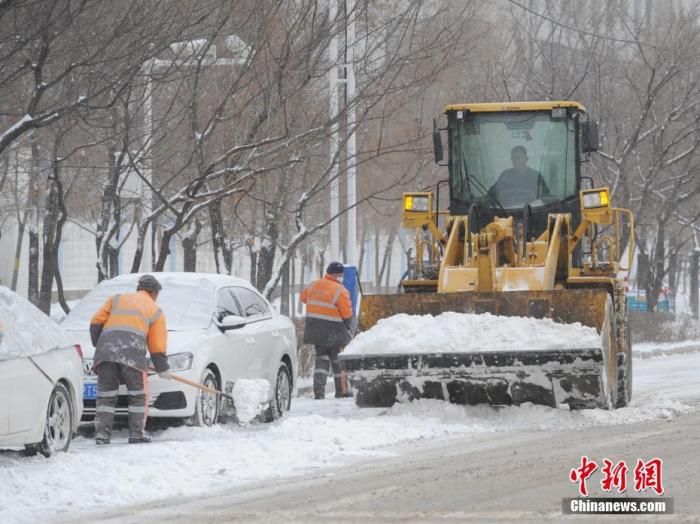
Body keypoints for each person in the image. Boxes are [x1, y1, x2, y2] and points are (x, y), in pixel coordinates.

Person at [89, 274, 169, 445]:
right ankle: (136, 434)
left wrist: (102, 345)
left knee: (106, 396)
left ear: (139, 289)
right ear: (154, 293)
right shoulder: (155, 310)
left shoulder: (117, 299)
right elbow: (157, 345)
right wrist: (162, 368)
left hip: (106, 353)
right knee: (138, 395)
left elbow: (96, 322)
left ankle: (102, 435)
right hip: (132, 355)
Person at [300, 262, 354, 399]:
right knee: (338, 364)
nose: (342, 277)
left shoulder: (313, 285)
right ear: (336, 274)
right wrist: (348, 326)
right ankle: (341, 392)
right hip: (335, 332)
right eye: (341, 274)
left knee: (321, 362)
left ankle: (319, 393)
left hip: (316, 331)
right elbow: (347, 314)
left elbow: (303, 298)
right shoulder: (340, 290)